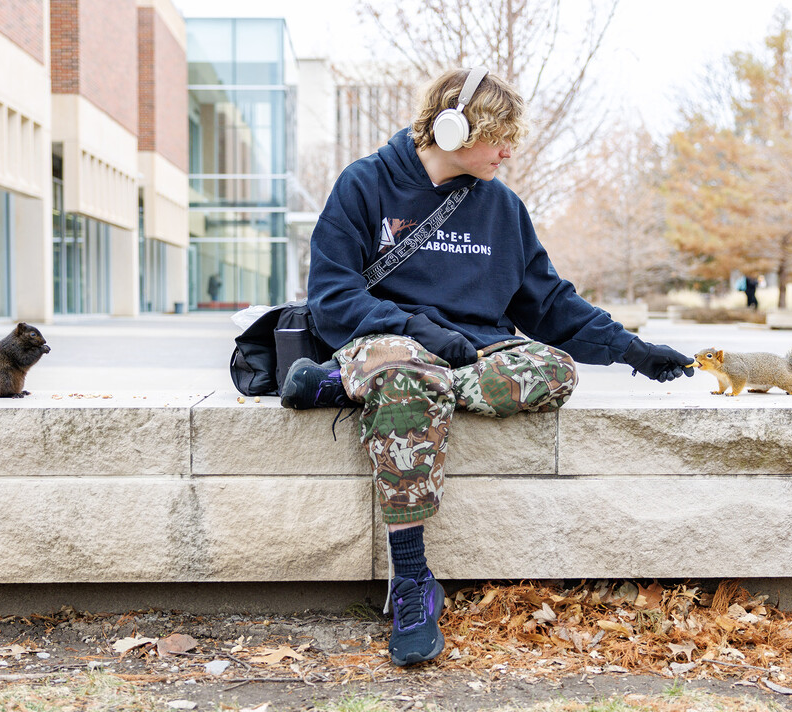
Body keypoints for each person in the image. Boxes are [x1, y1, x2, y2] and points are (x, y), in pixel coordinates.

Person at [280, 67, 694, 667]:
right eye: (499, 135)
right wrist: (419, 331)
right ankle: (413, 582)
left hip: (472, 353)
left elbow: (549, 305)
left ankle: (346, 387)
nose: (508, 150)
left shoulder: (501, 207)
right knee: (404, 374)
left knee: (552, 371)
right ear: (453, 127)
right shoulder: (365, 185)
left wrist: (630, 349)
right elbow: (334, 297)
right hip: (388, 339)